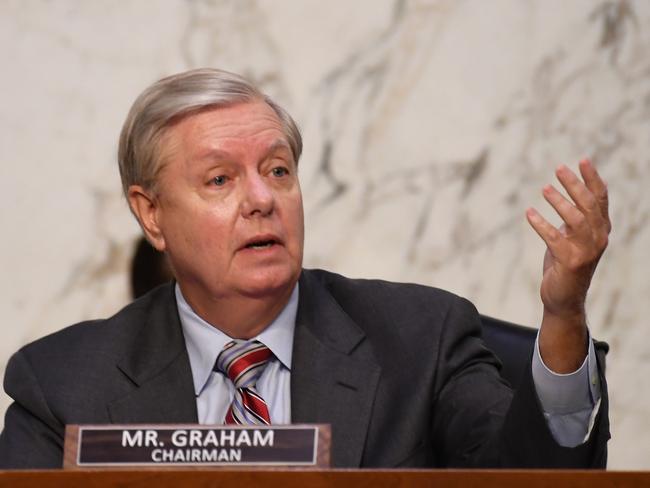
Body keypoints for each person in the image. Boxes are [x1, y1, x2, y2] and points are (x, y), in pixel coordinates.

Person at [0, 68, 610, 469]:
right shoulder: (62, 385)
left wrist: (563, 315)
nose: (261, 199)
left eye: (278, 170)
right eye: (220, 179)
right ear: (151, 214)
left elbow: (533, 478)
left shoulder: (421, 339)